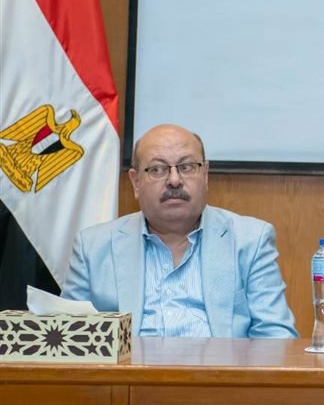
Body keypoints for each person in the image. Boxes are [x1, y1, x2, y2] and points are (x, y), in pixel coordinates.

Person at [62, 124, 297, 338]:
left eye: (186, 167)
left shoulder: (250, 240)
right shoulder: (92, 247)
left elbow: (276, 339)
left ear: (205, 174)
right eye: (157, 169)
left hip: (219, 371)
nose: (174, 180)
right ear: (135, 182)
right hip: (130, 372)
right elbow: (68, 339)